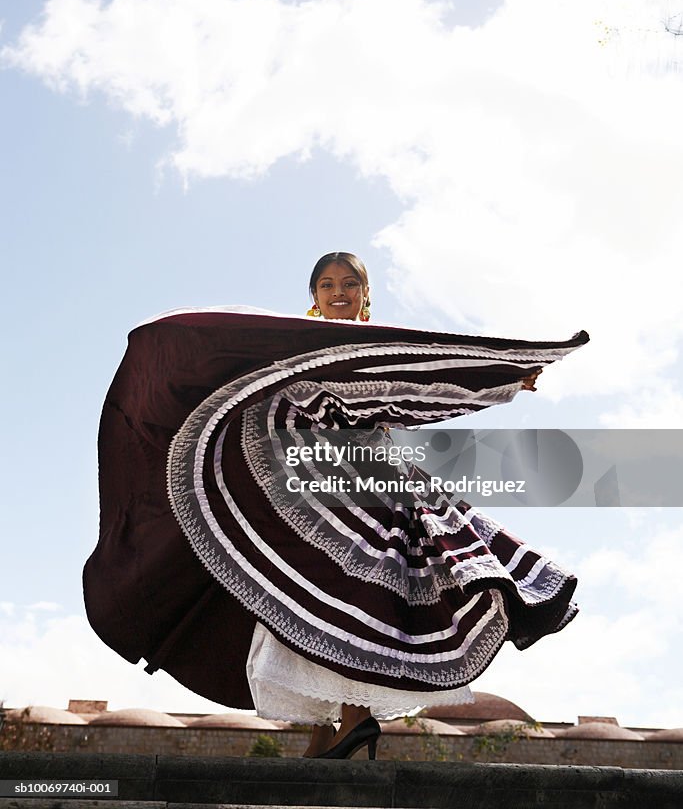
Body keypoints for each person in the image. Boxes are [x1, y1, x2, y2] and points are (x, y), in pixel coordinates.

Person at [83, 252, 588, 762]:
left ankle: (352, 720)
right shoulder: (295, 357)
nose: (338, 291)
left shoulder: (373, 352)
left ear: (366, 297)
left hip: (366, 485)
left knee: (352, 598)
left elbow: (420, 384)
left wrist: (501, 378)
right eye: (326, 285)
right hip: (318, 487)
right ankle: (335, 726)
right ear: (314, 300)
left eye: (349, 283)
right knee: (313, 598)